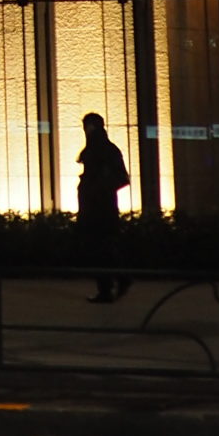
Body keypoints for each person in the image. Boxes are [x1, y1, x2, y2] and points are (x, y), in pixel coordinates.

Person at [76, 111, 132, 304]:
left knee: (102, 249)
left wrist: (98, 188)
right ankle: (117, 281)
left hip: (100, 208)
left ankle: (108, 288)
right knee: (103, 249)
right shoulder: (99, 149)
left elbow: (121, 178)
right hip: (97, 207)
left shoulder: (105, 150)